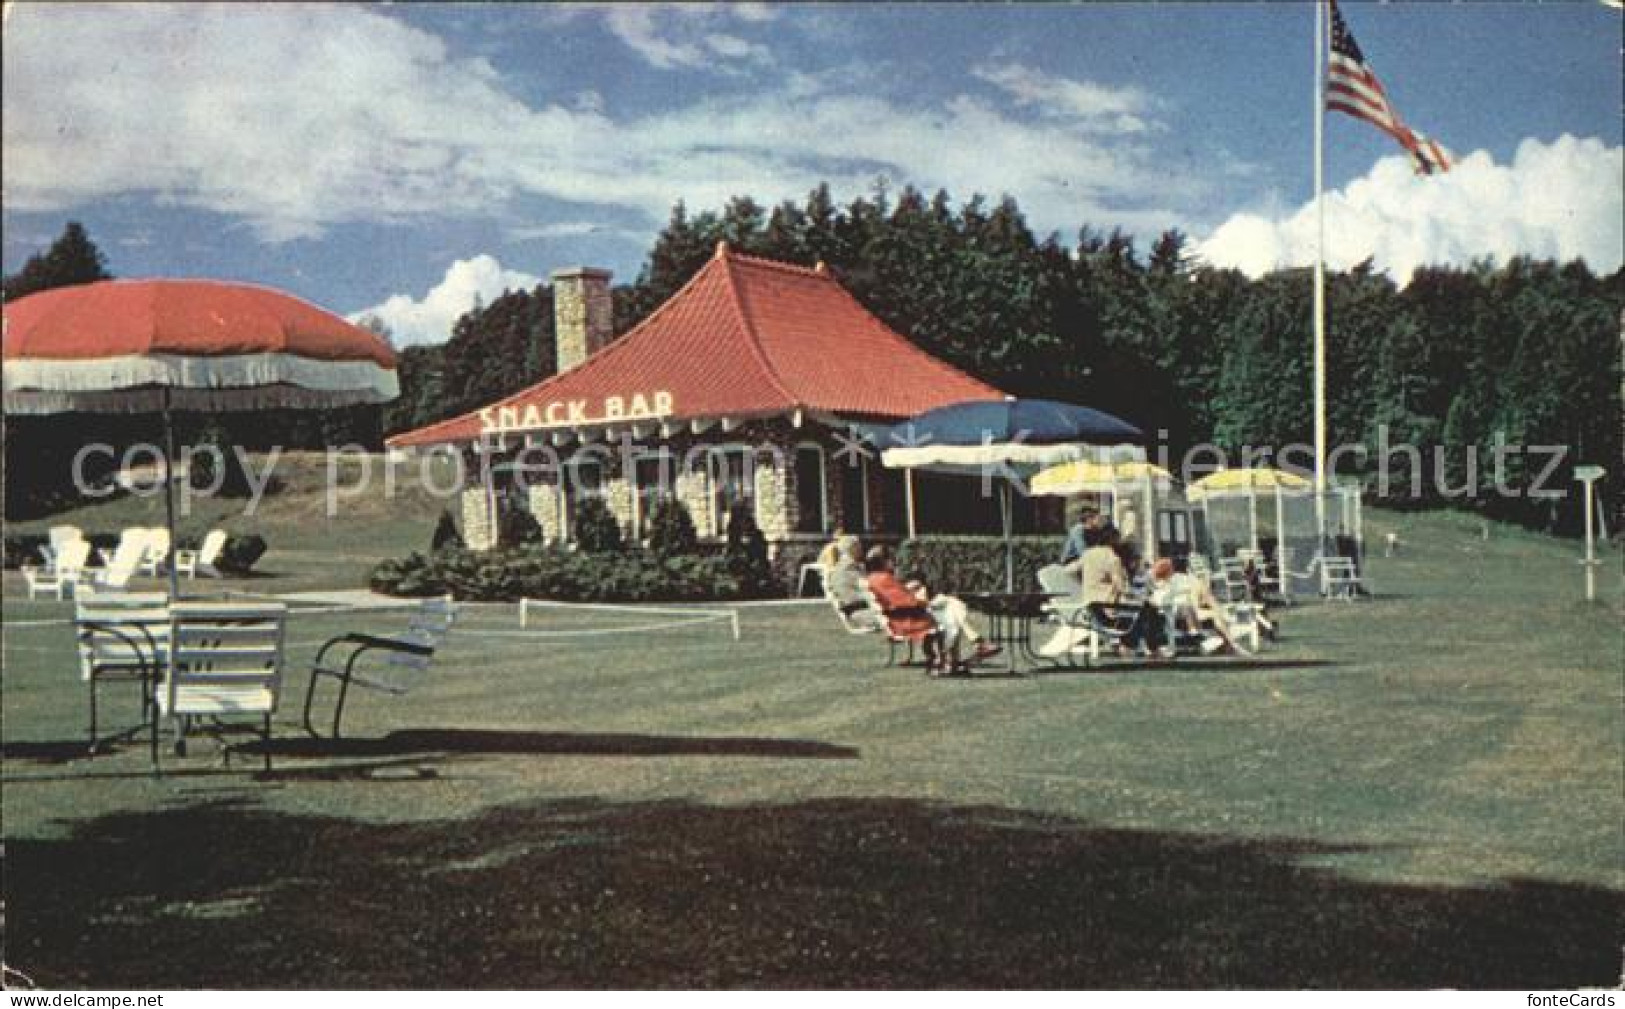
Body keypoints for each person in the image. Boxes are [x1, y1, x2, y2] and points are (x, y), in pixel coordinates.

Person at [865, 547, 998, 675]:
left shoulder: (876, 578)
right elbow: (907, 602)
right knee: (952, 607)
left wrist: (908, 589)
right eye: (891, 559)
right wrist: (924, 600)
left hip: (907, 615)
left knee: (953, 607)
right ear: (883, 561)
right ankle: (972, 647)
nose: (895, 562)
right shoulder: (883, 578)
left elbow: (896, 598)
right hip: (909, 619)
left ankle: (969, 650)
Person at [1065, 527, 1167, 658]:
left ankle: (1140, 647)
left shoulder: (1088, 554)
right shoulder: (1113, 559)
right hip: (1108, 608)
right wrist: (1140, 597)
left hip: (1091, 606)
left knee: (1144, 612)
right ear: (1112, 540)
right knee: (1150, 609)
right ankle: (1143, 648)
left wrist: (1084, 582)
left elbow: (1069, 570)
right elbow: (1121, 588)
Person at [823, 535, 883, 632]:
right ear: (852, 549)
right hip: (862, 612)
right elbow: (857, 595)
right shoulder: (847, 570)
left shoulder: (844, 568)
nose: (861, 549)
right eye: (859, 546)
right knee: (905, 616)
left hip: (863, 610)